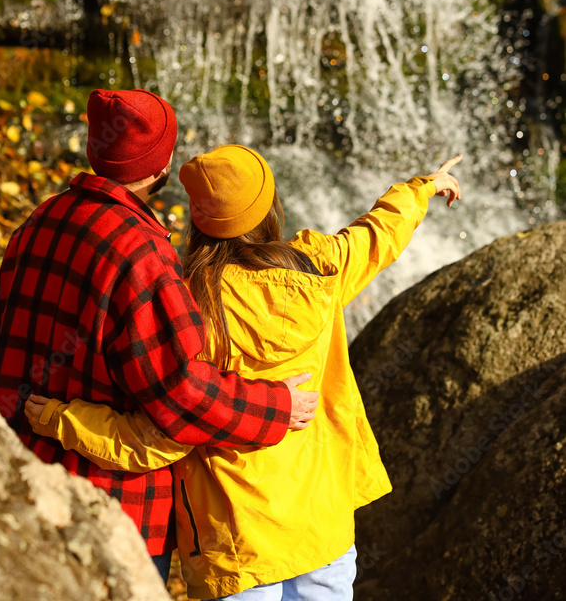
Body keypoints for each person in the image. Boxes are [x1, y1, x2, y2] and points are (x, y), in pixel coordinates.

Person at [25, 144, 463, 599]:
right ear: (269, 205)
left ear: (198, 218)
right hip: (323, 527)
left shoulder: (188, 306)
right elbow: (377, 234)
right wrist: (423, 188)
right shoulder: (321, 268)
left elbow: (164, 432)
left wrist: (62, 419)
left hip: (236, 545)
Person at [0, 91, 318, 584]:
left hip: (17, 475)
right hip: (110, 507)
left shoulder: (38, 221)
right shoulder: (142, 253)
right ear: (161, 168)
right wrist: (276, 408)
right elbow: (181, 393)